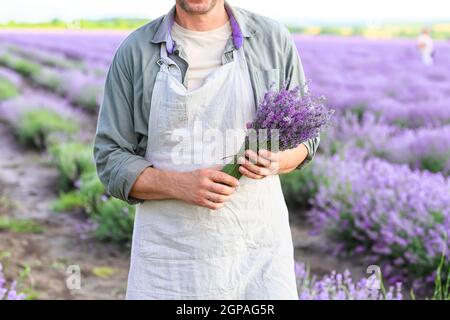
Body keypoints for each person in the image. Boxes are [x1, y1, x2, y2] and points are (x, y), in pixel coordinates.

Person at [94, 0, 320, 300]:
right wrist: (179, 184)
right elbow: (111, 159)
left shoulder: (271, 39)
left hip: (256, 253)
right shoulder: (136, 52)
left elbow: (308, 140)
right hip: (171, 258)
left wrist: (278, 160)